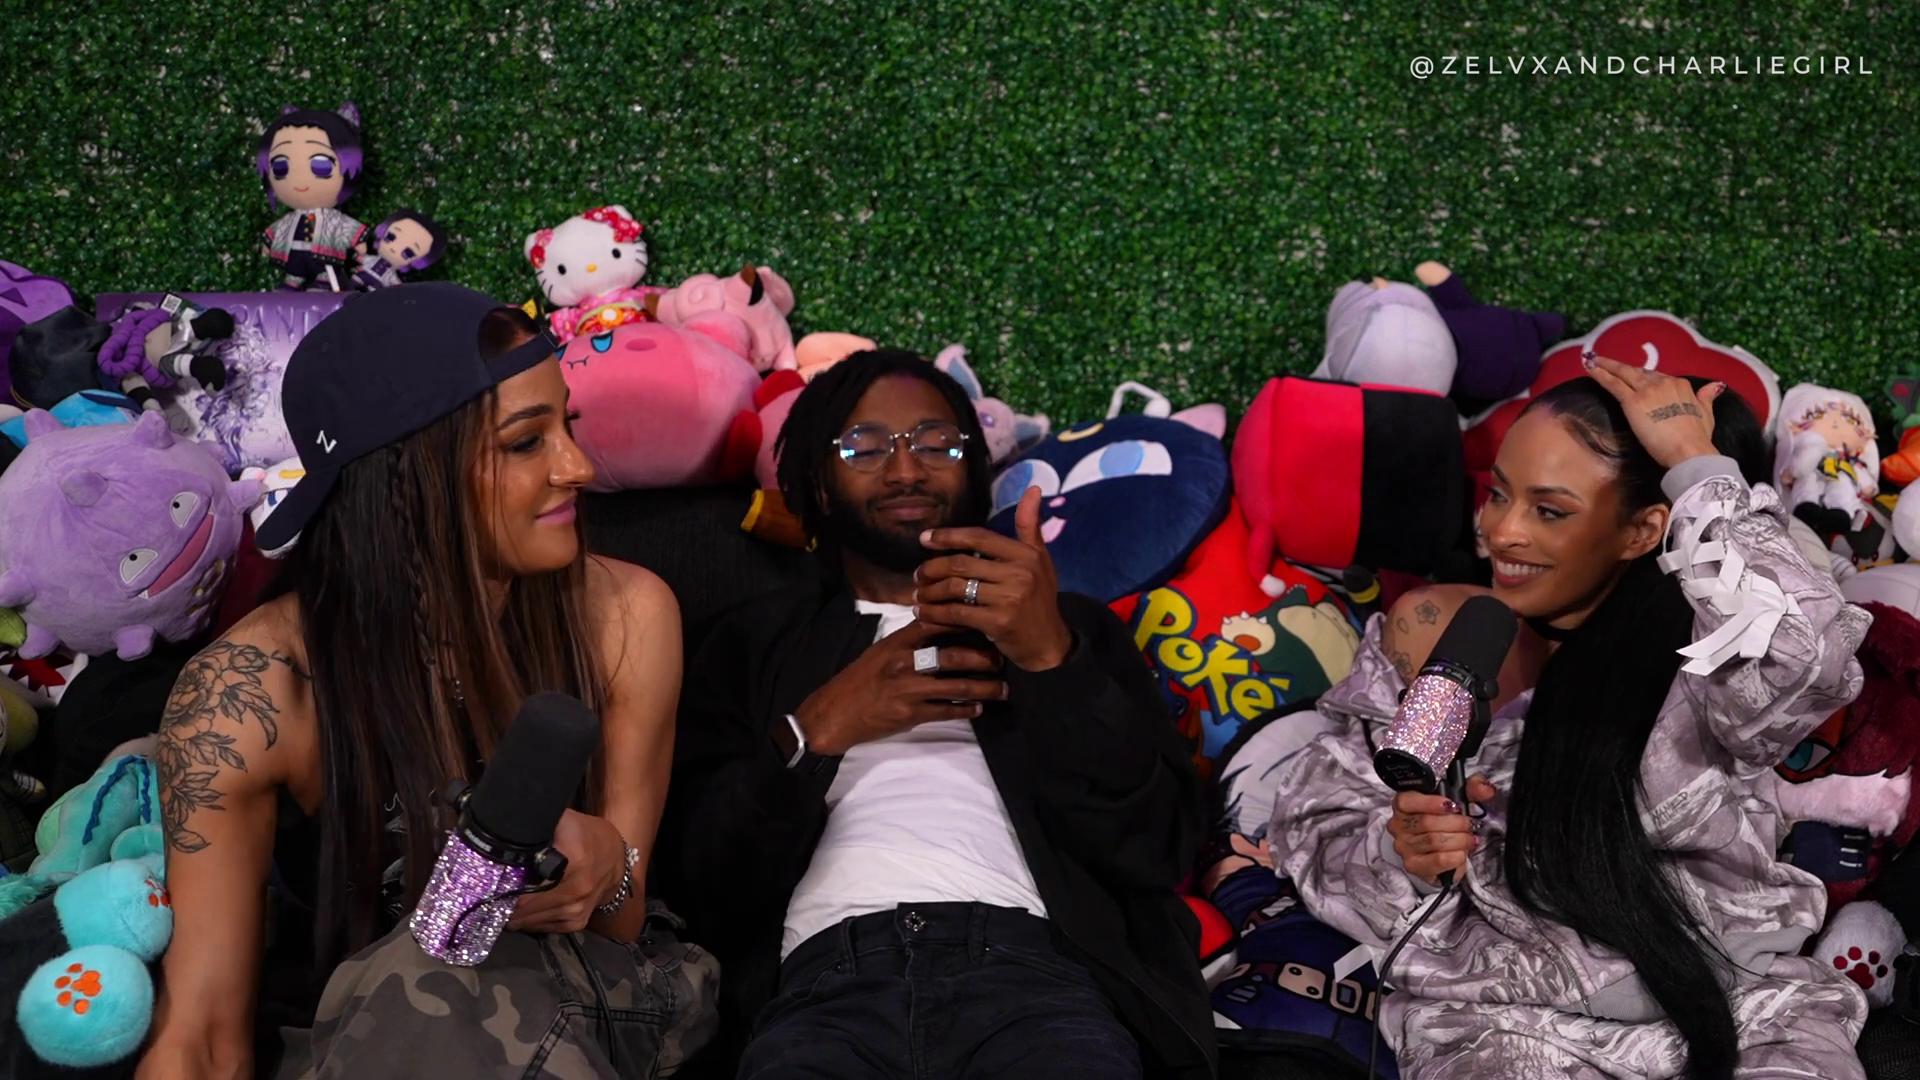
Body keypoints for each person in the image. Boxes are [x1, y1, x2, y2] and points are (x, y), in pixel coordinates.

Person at [136, 283, 716, 1080]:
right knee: (418, 980)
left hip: (599, 1004)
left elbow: (622, 921)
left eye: (568, 426)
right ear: (404, 477)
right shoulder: (247, 694)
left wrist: (609, 863)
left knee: (434, 977)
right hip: (365, 1037)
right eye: (526, 442)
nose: (578, 467)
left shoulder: (627, 615)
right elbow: (202, 1034)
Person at [1271, 362, 1870, 1080]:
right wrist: (1405, 853)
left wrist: (1695, 464)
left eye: (1549, 511)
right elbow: (1316, 822)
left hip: (1742, 1011)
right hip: (1504, 1029)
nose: (1501, 532)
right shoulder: (1436, 628)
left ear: (1644, 529)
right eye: (1498, 494)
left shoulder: (1714, 653)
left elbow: (1807, 656)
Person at [658, 349, 1216, 1079]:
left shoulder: (1069, 628)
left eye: (935, 443)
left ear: (975, 466)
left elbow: (1159, 849)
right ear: (818, 485)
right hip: (822, 988)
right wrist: (812, 735)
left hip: (1039, 980)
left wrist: (1051, 658)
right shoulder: (751, 643)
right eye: (864, 447)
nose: (906, 470)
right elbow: (698, 889)